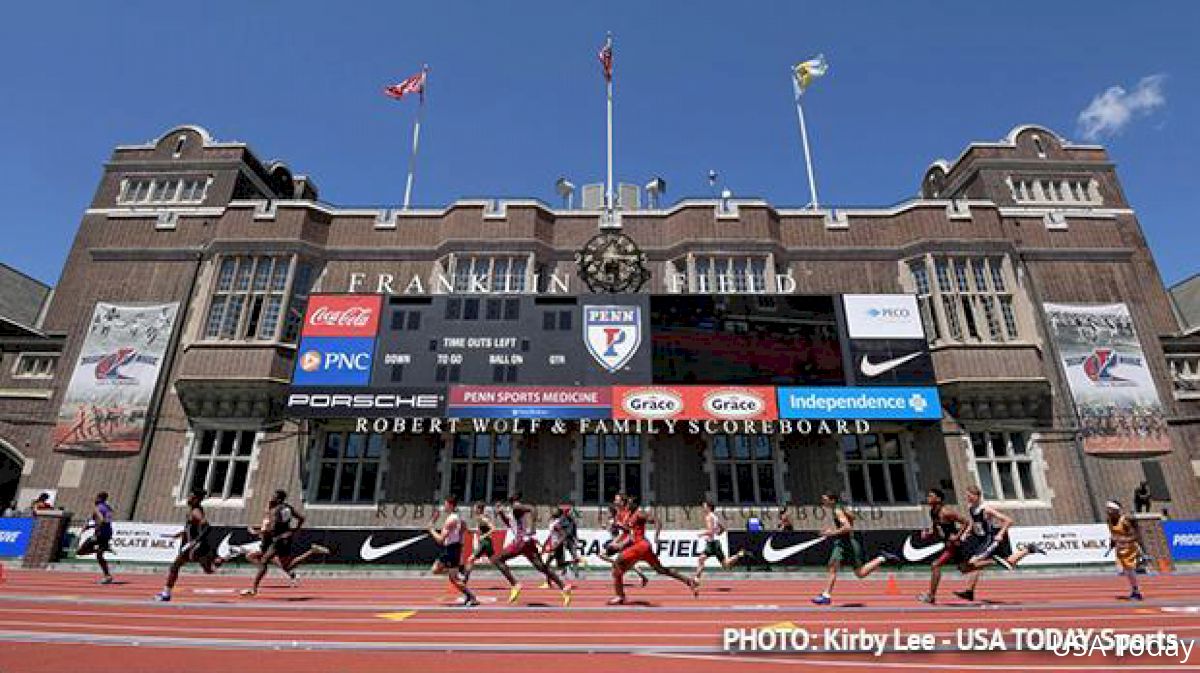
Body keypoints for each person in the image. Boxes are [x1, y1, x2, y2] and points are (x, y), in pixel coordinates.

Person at [951, 486, 1045, 601]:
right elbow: (973, 522)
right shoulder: (971, 508)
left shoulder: (986, 509)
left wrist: (1000, 533)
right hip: (979, 540)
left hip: (989, 539)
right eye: (967, 495)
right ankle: (1029, 549)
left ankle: (994, 560)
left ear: (977, 496)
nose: (967, 498)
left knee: (971, 564)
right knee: (1009, 562)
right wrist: (967, 531)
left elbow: (1008, 520)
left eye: (970, 496)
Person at [811, 491, 900, 605]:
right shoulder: (840, 508)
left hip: (845, 543)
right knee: (860, 573)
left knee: (833, 567)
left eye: (825, 499)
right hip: (847, 542)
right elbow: (852, 519)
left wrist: (831, 533)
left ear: (832, 500)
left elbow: (847, 527)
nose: (822, 501)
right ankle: (882, 558)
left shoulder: (837, 510)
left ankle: (826, 595)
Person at [610, 496, 697, 605]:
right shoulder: (629, 515)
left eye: (630, 503)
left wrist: (656, 536)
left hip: (639, 546)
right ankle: (689, 581)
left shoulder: (639, 513)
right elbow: (630, 531)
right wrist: (620, 529)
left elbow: (657, 521)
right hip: (643, 548)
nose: (628, 504)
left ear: (635, 504)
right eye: (627, 503)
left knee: (617, 564)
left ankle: (620, 596)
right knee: (660, 570)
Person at [240, 491, 330, 596]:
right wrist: (295, 530)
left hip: (279, 539)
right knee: (287, 566)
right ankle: (312, 551)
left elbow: (273, 528)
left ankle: (254, 590)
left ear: (278, 499)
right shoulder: (288, 508)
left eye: (273, 496)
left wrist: (258, 532)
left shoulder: (276, 511)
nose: (271, 498)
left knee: (264, 561)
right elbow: (301, 518)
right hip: (285, 538)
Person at [492, 493, 572, 606]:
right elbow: (511, 524)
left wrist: (533, 527)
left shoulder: (516, 506)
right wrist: (501, 515)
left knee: (496, 559)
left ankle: (515, 584)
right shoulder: (513, 509)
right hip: (527, 542)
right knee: (541, 567)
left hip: (521, 541)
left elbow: (532, 509)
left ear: (514, 498)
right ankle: (564, 587)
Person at [156, 488, 225, 601]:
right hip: (193, 546)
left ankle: (166, 594)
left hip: (195, 547)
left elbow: (206, 526)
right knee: (206, 570)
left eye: (191, 497)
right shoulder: (192, 510)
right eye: (189, 496)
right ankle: (217, 562)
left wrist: (195, 541)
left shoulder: (196, 511)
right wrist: (181, 534)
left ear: (197, 499)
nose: (189, 498)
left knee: (176, 566)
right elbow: (192, 528)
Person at [917, 487, 971, 604]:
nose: (928, 498)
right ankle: (990, 561)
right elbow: (936, 526)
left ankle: (931, 596)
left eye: (931, 496)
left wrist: (957, 536)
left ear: (938, 499)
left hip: (954, 545)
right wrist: (929, 532)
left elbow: (966, 522)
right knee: (964, 569)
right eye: (928, 496)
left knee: (935, 565)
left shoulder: (946, 512)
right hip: (948, 544)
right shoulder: (932, 511)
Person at [428, 496, 478, 607]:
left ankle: (472, 596)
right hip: (455, 548)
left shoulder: (451, 520)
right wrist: (462, 539)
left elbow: (440, 540)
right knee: (450, 576)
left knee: (439, 572)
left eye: (445, 504)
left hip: (450, 549)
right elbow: (465, 528)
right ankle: (460, 574)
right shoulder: (458, 517)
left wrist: (431, 530)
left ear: (450, 505)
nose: (444, 506)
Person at [595, 493, 649, 587]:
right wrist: (612, 531)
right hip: (621, 538)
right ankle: (643, 576)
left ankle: (618, 568)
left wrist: (619, 527)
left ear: (622, 502)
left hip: (627, 540)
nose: (615, 501)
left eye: (617, 500)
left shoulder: (627, 513)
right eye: (615, 499)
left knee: (616, 559)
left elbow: (629, 529)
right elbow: (618, 529)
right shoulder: (618, 513)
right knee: (603, 555)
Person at [693, 501, 747, 584]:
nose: (703, 508)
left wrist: (701, 534)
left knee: (701, 559)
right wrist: (716, 532)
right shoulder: (714, 516)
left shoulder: (709, 517)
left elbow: (710, 531)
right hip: (713, 543)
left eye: (704, 506)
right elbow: (722, 529)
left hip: (712, 544)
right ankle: (739, 555)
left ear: (709, 507)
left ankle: (696, 579)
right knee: (725, 564)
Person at [1106, 500, 1145, 600]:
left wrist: (1124, 540)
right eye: (1107, 509)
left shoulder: (1124, 521)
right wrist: (1113, 542)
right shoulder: (1109, 520)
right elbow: (1113, 534)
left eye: (1110, 510)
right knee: (1125, 571)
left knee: (1129, 570)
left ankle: (1136, 591)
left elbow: (1135, 536)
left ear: (1116, 510)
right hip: (1120, 550)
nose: (1108, 512)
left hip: (1130, 549)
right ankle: (1135, 589)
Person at [76, 491, 116, 584]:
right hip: (107, 533)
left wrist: (90, 526)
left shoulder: (98, 508)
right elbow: (108, 519)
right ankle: (107, 576)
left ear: (99, 498)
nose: (94, 499)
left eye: (96, 497)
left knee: (80, 552)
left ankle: (103, 549)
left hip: (100, 534)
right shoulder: (108, 508)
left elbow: (102, 520)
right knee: (99, 555)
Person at [463, 501, 495, 582]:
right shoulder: (479, 518)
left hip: (485, 542)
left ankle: (464, 580)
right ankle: (507, 573)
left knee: (470, 559)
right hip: (486, 542)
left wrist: (484, 536)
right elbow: (479, 531)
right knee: (496, 561)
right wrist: (470, 531)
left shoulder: (483, 518)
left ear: (479, 509)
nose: (473, 509)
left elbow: (493, 528)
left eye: (475, 507)